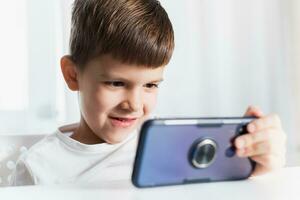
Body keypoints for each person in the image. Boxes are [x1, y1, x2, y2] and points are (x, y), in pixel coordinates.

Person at [10, 0, 286, 186]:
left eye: (151, 85)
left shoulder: (172, 147)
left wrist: (256, 170)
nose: (135, 104)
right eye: (116, 83)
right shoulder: (38, 168)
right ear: (73, 75)